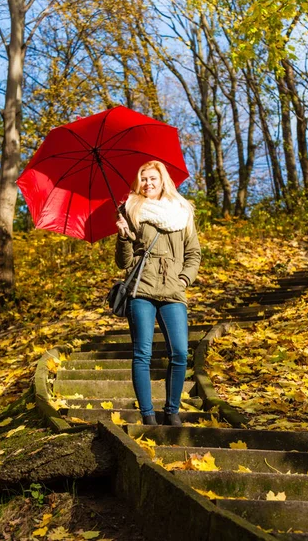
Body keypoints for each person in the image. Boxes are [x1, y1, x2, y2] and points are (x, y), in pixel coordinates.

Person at [115, 160, 201, 426]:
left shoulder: (182, 211)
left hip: (173, 291)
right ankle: (148, 415)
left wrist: (184, 279)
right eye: (143, 179)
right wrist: (123, 237)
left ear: (163, 180)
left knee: (180, 352)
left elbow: (193, 253)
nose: (148, 183)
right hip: (141, 289)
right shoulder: (131, 210)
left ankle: (172, 411)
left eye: (153, 178)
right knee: (143, 352)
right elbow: (124, 263)